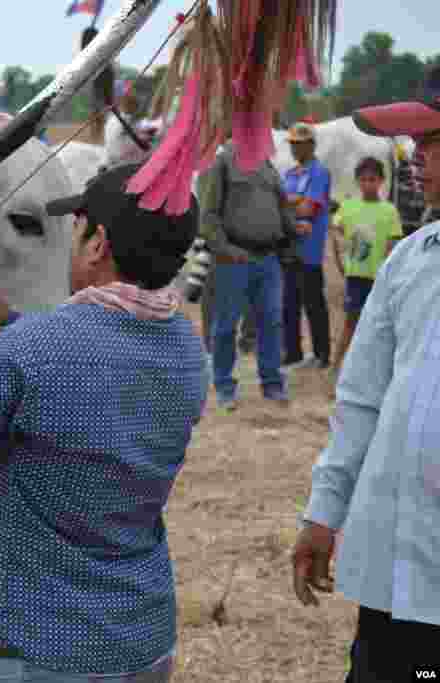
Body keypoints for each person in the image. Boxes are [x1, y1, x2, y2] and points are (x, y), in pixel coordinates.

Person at [0, 161, 208, 682]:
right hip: (141, 638)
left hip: (35, 644)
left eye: (76, 232)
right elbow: (97, 367)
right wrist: (10, 324)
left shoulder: (36, 347)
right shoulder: (187, 349)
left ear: (97, 244)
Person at [291, 69, 440, 683]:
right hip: (392, 578)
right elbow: (360, 402)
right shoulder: (410, 260)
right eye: (416, 144)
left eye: (432, 143)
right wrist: (323, 513)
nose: (415, 159)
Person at [199, 138, 298, 410]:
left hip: (268, 259)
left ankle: (272, 384)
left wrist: (294, 228)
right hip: (234, 258)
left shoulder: (268, 165)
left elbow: (282, 209)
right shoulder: (224, 161)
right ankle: (224, 386)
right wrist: (225, 249)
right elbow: (209, 216)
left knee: (271, 322)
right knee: (226, 325)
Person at [328, 157, 403, 380]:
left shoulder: (389, 211)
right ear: (357, 181)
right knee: (351, 320)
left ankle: (374, 371)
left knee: (378, 324)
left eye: (373, 179)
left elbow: (393, 245)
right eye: (364, 179)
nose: (368, 184)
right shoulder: (348, 207)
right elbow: (337, 234)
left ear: (381, 181)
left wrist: (388, 272)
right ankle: (336, 365)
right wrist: (340, 261)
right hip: (356, 276)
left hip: (378, 278)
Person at [281, 122, 332, 370]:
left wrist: (288, 203)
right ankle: (293, 354)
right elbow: (282, 205)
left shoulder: (319, 173)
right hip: (289, 247)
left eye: (300, 144)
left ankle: (322, 354)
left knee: (313, 303)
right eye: (292, 144)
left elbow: (308, 209)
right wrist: (294, 203)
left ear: (311, 145)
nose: (295, 149)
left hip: (309, 250)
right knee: (288, 303)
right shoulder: (289, 174)